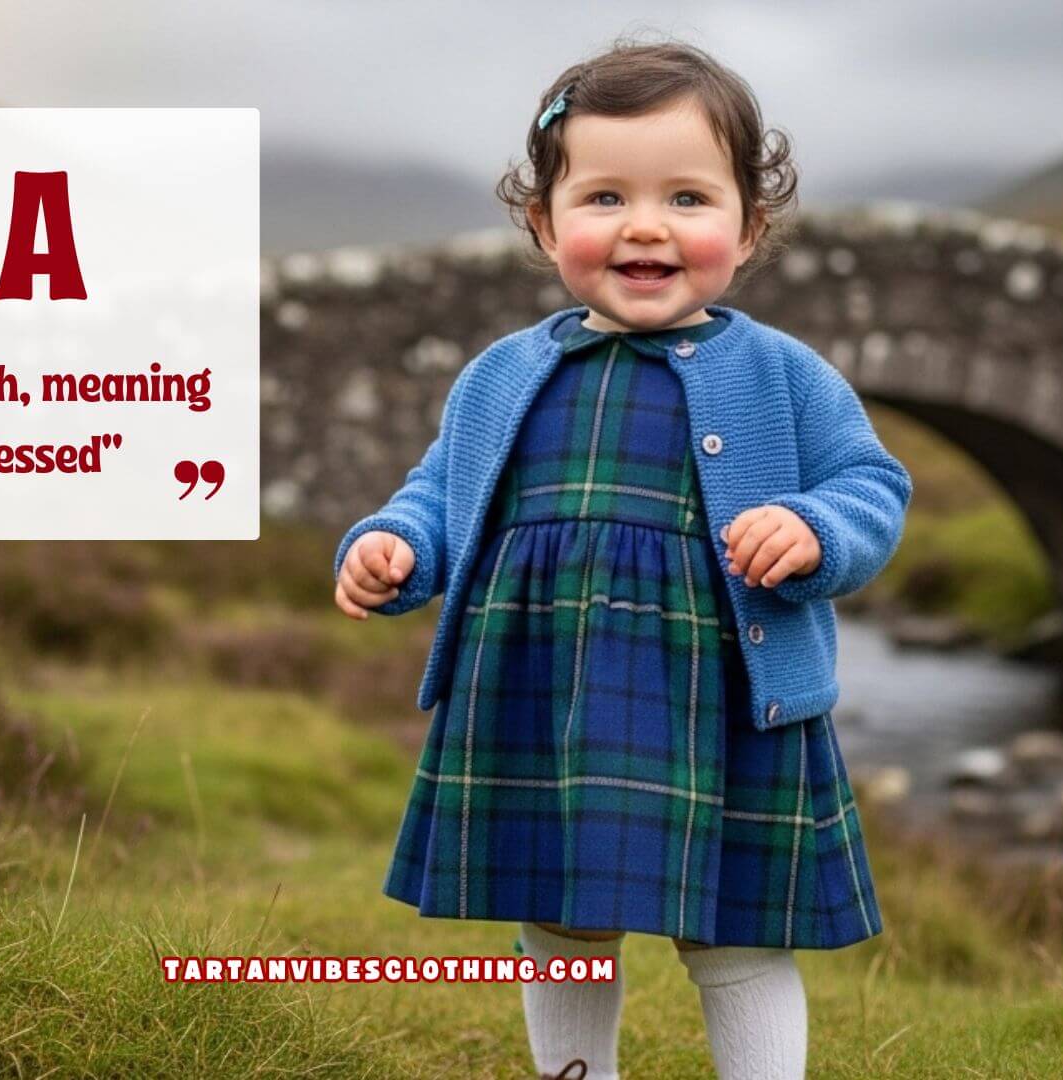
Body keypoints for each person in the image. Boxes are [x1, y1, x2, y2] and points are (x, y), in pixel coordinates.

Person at [331, 37, 912, 1080]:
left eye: (689, 198)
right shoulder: (502, 375)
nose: (645, 225)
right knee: (560, 927)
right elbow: (441, 494)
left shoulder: (787, 375)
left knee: (739, 936)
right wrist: (395, 546)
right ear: (544, 222)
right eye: (604, 197)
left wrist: (819, 533)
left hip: (725, 695)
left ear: (752, 224)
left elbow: (873, 486)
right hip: (547, 688)